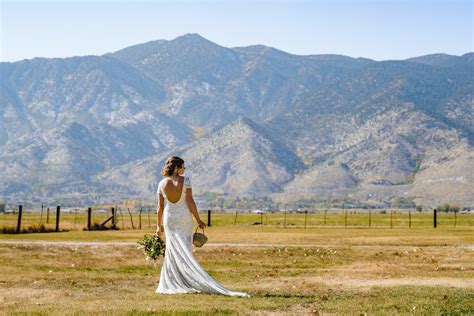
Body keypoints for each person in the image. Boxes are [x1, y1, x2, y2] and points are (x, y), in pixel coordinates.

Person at [155, 156, 250, 297]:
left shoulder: (162, 183)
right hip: (184, 218)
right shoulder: (185, 180)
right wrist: (198, 219)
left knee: (172, 248)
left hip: (170, 219)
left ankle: (173, 281)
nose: (184, 169)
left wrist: (158, 226)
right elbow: (190, 201)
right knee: (185, 248)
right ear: (177, 168)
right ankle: (186, 280)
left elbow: (160, 207)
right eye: (183, 167)